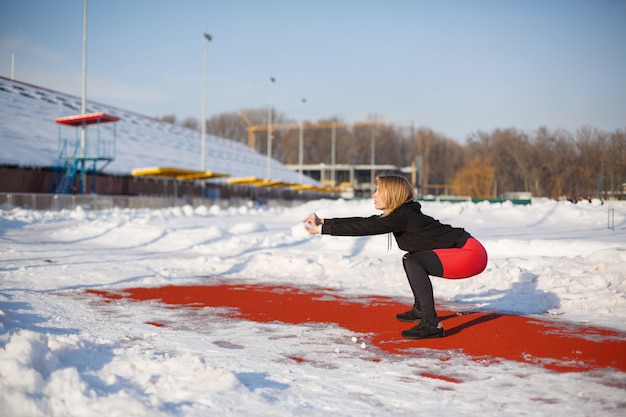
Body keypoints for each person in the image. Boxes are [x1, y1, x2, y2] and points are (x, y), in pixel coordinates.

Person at [303, 174, 488, 339]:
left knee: (414, 261)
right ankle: (420, 309)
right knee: (411, 258)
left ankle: (432, 324)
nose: (373, 195)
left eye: (378, 191)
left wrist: (321, 230)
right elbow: (366, 222)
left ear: (392, 194)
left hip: (471, 254)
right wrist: (324, 222)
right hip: (468, 249)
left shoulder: (403, 216)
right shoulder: (403, 213)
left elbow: (365, 228)